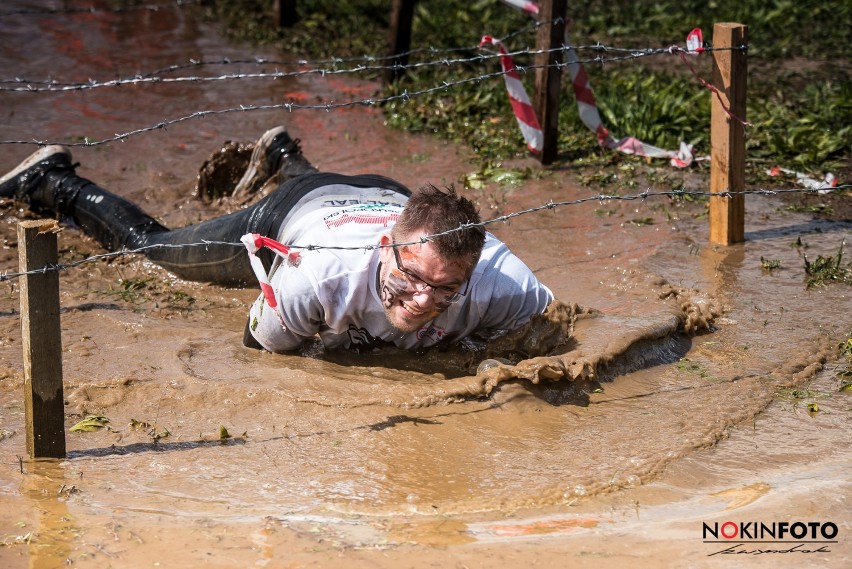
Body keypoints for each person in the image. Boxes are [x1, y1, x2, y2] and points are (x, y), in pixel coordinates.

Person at [0, 127, 553, 353]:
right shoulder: (317, 279)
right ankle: (53, 182)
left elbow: (559, 329)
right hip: (293, 213)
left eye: (445, 289)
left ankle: (283, 155)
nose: (424, 301)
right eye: (410, 278)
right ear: (386, 248)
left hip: (385, 194)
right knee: (161, 252)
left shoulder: (506, 285)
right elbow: (260, 358)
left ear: (472, 272)